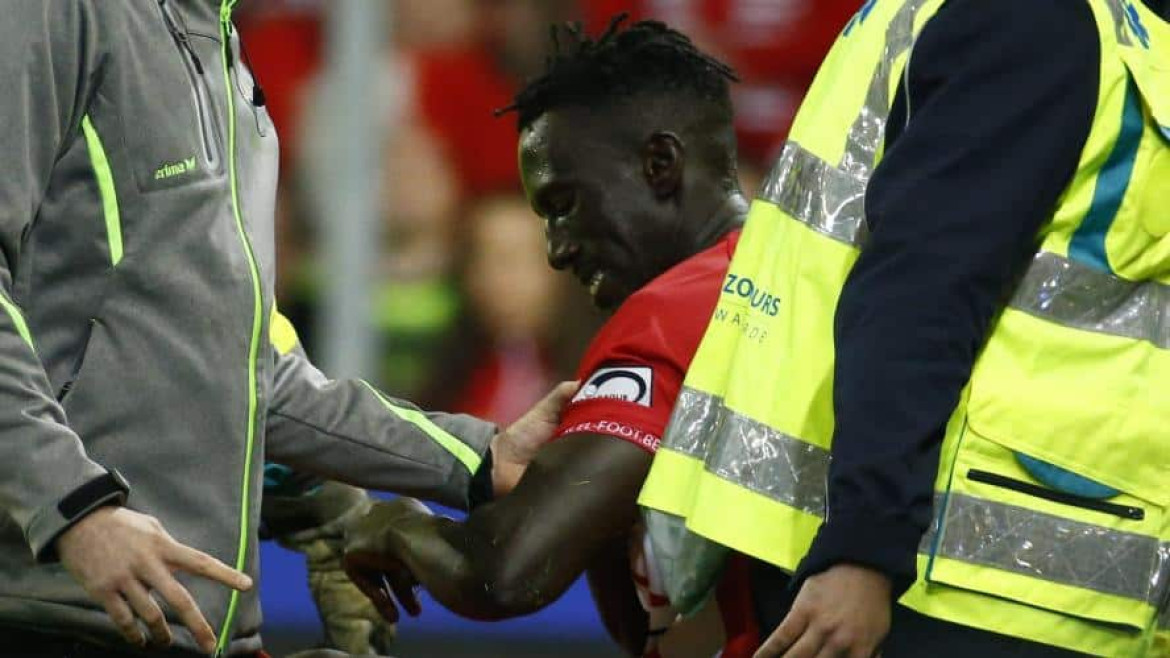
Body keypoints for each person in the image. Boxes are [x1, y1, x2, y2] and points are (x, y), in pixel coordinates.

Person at [0, 2, 571, 656]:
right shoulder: (53, 12)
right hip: (48, 607)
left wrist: (479, 458)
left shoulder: (225, 57)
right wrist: (73, 509)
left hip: (190, 622)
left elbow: (258, 374)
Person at [632, 0, 1170, 656]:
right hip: (971, 590)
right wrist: (865, 548)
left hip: (1037, 585)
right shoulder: (1040, 22)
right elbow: (922, 287)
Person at [343, 18, 762, 658]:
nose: (558, 250)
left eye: (565, 205)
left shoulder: (676, 315)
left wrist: (395, 524)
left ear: (660, 164)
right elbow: (644, 621)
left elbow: (505, 571)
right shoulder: (793, 286)